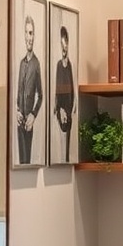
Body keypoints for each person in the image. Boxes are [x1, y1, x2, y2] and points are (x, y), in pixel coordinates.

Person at [16, 14, 43, 165]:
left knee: (27, 161)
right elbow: (18, 92)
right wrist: (17, 110)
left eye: (31, 33)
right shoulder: (21, 64)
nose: (29, 37)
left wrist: (33, 114)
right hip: (19, 122)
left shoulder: (36, 64)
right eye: (27, 33)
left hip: (29, 123)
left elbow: (41, 95)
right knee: (20, 161)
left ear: (34, 35)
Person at [53, 24, 75, 163]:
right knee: (62, 144)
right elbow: (57, 91)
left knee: (69, 145)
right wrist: (60, 109)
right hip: (61, 111)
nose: (64, 48)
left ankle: (66, 159)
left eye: (65, 44)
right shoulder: (59, 66)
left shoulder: (70, 66)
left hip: (69, 110)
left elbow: (72, 90)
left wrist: (71, 109)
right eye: (61, 44)